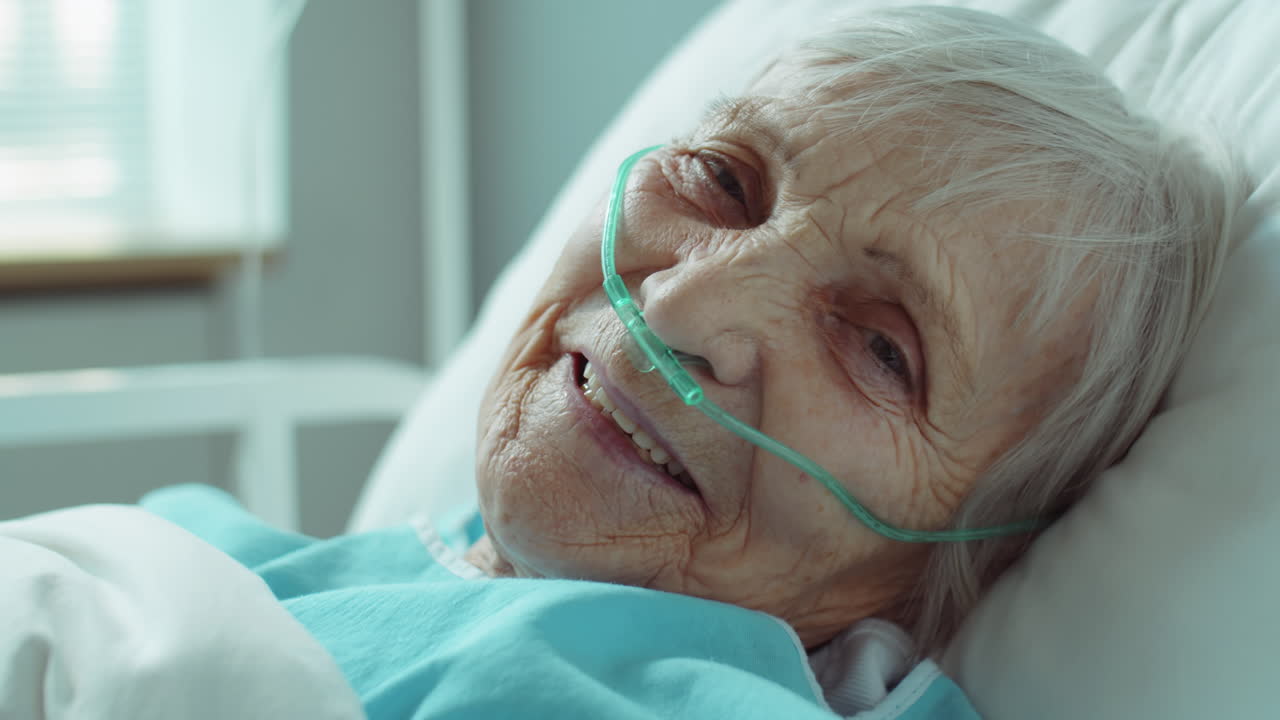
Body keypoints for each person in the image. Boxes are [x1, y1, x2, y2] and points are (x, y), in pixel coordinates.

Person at [1, 6, 1241, 719]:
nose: (692, 299)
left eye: (878, 348)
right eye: (718, 180)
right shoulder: (228, 549)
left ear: (986, 545)